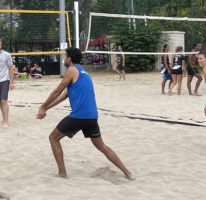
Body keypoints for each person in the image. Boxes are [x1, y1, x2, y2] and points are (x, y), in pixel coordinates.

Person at [36, 47, 135, 181]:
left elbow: (57, 91)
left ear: (70, 59)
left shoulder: (71, 70)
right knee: (102, 146)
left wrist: (42, 106)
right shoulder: (83, 72)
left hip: (79, 116)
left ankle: (62, 173)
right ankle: (128, 173)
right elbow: (65, 95)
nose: (64, 59)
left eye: (65, 56)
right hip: (92, 116)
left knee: (53, 137)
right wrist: (47, 108)